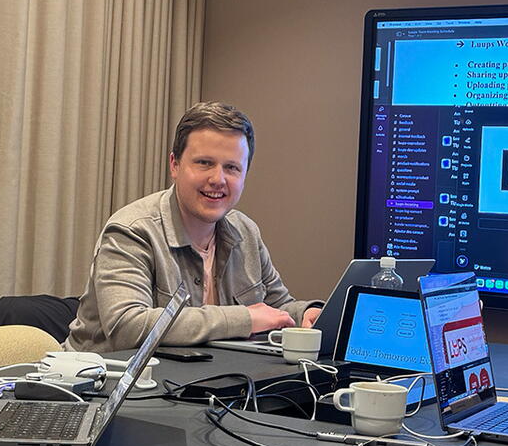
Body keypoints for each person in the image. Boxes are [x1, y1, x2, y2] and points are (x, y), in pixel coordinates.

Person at [64, 102, 323, 353]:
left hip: (198, 387)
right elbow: (127, 327)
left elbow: (275, 309)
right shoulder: (132, 230)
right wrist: (243, 319)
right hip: (103, 389)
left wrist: (304, 314)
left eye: (232, 168)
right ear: (174, 165)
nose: (218, 179)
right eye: (204, 163)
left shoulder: (246, 232)